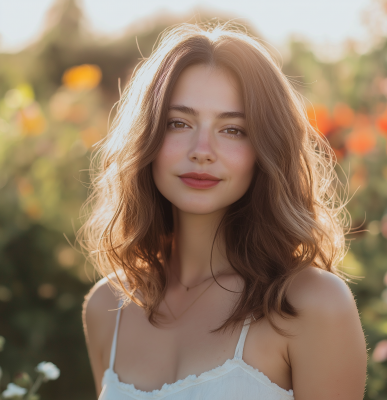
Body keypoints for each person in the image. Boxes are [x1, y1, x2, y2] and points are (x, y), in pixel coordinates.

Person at [80, 22, 367, 400]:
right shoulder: (107, 307)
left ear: (266, 148)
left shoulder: (311, 304)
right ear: (146, 137)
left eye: (233, 129)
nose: (202, 149)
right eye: (178, 123)